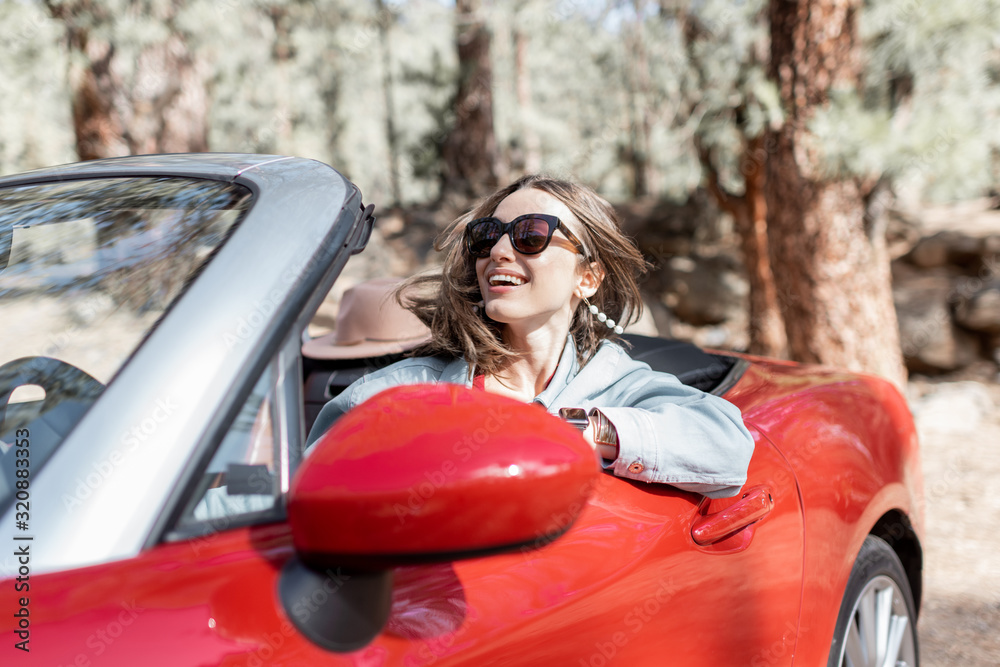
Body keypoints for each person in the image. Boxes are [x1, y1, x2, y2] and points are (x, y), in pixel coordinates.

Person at [307, 175, 754, 498]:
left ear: (588, 277)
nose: (499, 251)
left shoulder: (620, 384)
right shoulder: (397, 395)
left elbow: (728, 447)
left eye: (531, 235)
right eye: (486, 237)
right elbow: (302, 500)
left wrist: (584, 432)